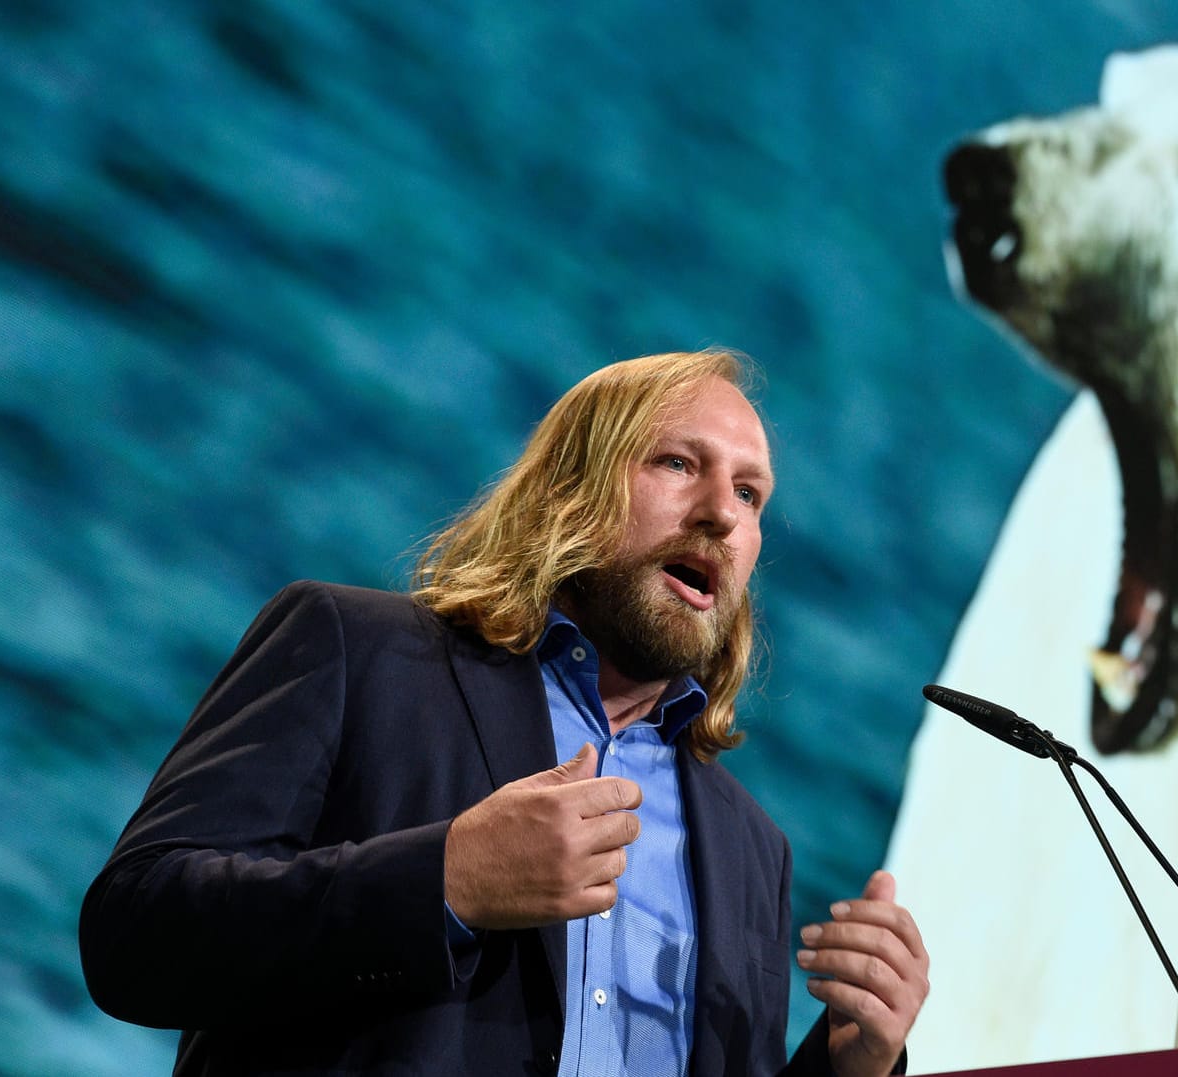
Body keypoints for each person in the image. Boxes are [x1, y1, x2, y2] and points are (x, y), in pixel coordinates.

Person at [79, 349, 930, 1076]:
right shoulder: (357, 651)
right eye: (678, 463)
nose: (721, 513)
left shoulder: (752, 851)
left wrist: (850, 1062)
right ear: (572, 490)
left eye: (750, 494)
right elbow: (134, 935)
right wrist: (446, 882)